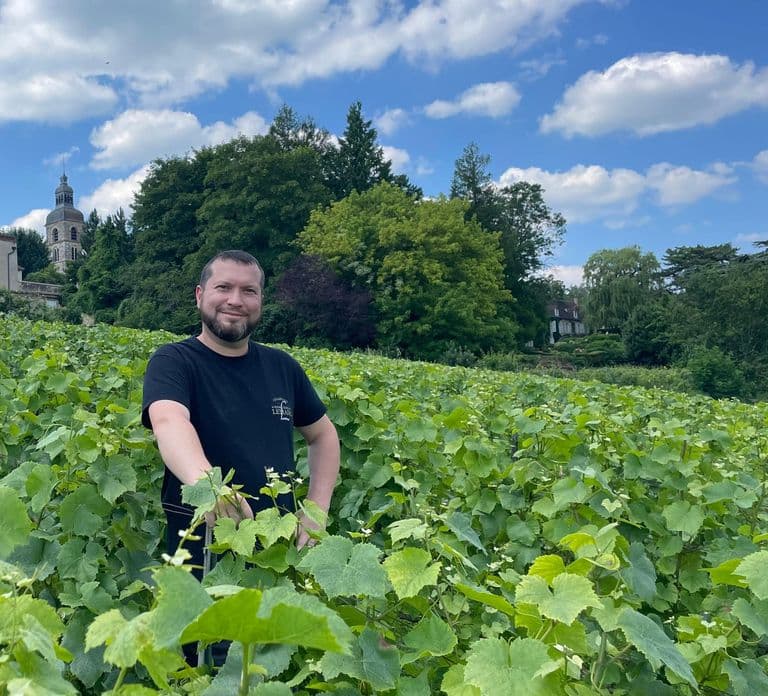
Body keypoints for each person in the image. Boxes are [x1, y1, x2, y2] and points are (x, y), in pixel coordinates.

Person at [142, 249, 340, 572]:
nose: (235, 300)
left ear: (260, 300)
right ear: (200, 295)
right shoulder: (174, 362)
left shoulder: (283, 367)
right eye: (223, 287)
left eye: (249, 291)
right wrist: (212, 488)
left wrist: (316, 509)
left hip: (278, 550)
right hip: (201, 547)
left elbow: (324, 435)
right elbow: (169, 422)